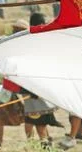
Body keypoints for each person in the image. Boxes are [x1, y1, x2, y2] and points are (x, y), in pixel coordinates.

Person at [25, 13, 64, 146]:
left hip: (38, 87)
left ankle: (43, 144)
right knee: (32, 119)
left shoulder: (39, 40)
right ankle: (37, 144)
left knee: (38, 120)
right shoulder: (33, 40)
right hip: (34, 86)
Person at [0, 19, 30, 147]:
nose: (14, 31)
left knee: (32, 118)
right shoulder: (9, 45)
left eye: (17, 29)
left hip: (23, 89)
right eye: (14, 29)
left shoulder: (27, 49)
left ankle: (33, 142)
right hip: (8, 89)